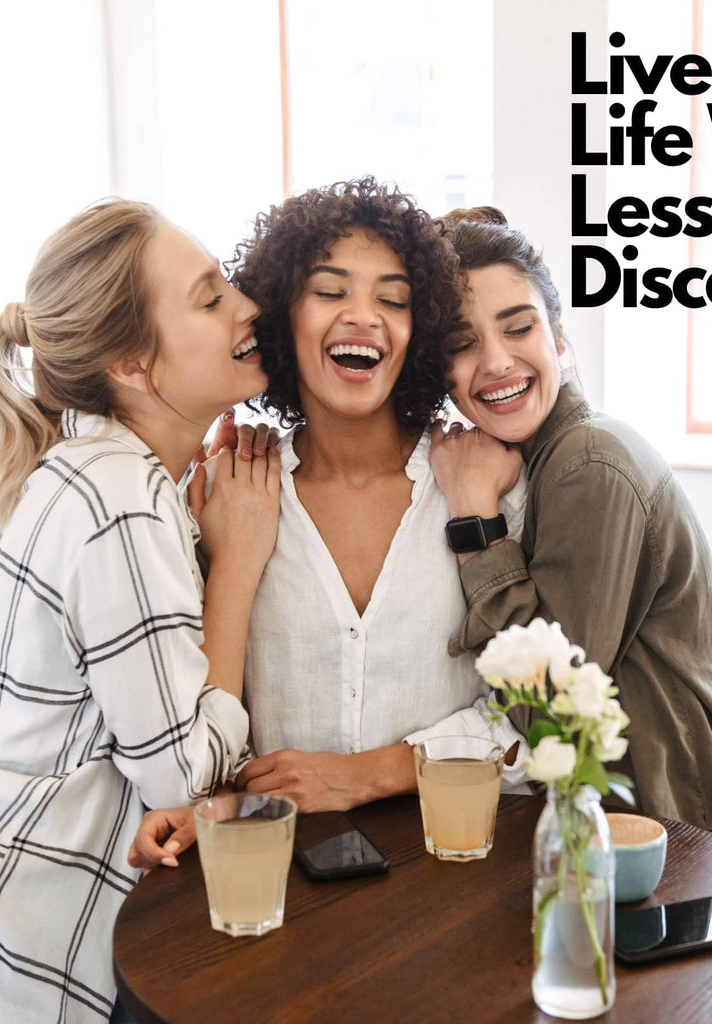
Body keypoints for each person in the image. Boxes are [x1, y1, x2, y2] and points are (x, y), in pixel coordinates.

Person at [0, 199, 281, 1023]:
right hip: (9, 949)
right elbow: (179, 771)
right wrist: (237, 566)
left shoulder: (112, 472)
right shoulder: (117, 495)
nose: (247, 306)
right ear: (132, 363)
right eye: (210, 298)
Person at [130, 179, 528, 870]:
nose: (363, 316)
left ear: (420, 330)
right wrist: (209, 805)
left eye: (393, 300)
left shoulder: (482, 486)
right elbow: (194, 722)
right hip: (282, 882)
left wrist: (369, 773)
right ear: (281, 317)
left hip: (463, 872)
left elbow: (532, 715)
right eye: (329, 290)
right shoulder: (229, 495)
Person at [428, 207, 712, 848]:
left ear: (558, 336)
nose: (495, 361)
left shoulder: (589, 463)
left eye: (518, 328)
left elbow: (553, 712)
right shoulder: (546, 458)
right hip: (624, 825)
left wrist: (474, 517)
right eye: (461, 344)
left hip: (659, 834)